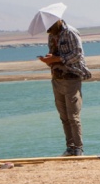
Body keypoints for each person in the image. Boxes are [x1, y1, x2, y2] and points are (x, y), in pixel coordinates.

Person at [37, 19, 92, 156]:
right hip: (57, 78)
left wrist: (57, 59)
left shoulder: (70, 32)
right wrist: (49, 60)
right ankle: (70, 147)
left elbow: (77, 54)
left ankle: (78, 148)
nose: (47, 29)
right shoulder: (52, 35)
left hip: (71, 78)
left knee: (73, 116)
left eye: (49, 25)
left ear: (58, 21)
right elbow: (54, 54)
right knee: (64, 117)